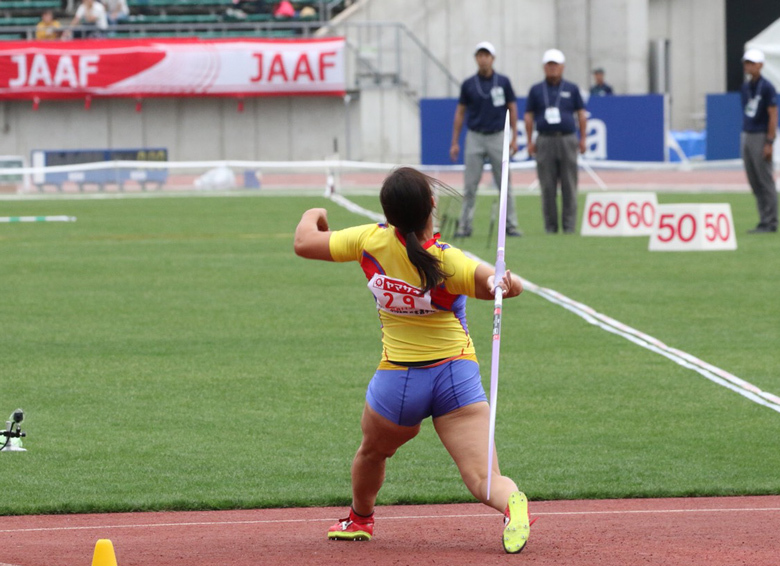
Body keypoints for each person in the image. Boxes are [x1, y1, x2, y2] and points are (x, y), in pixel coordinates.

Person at [294, 167, 533, 554]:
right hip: (457, 375)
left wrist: (315, 212)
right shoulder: (447, 261)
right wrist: (505, 282)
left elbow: (304, 242)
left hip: (399, 382)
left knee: (372, 452)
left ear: (388, 214)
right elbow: (499, 284)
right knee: (483, 478)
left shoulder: (369, 241)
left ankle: (359, 519)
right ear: (432, 206)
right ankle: (511, 502)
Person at [449, 41, 522, 238]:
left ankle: (511, 224)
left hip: (498, 135)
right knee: (470, 184)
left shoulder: (503, 82)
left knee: (505, 183)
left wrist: (514, 137)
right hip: (475, 136)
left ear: (493, 58)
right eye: (480, 55)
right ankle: (465, 225)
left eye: (486, 55)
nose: (483, 59)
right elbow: (460, 112)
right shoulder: (468, 84)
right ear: (476, 58)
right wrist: (455, 141)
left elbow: (512, 108)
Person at [524, 49, 587, 234]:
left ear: (562, 67)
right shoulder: (536, 90)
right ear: (544, 67)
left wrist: (582, 139)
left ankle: (569, 227)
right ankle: (550, 227)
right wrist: (529, 141)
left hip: (567, 138)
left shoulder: (572, 88)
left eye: (555, 64)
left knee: (569, 184)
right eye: (549, 64)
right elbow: (528, 116)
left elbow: (581, 115)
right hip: (544, 140)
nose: (552, 68)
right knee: (547, 186)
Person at [741, 48, 778, 234]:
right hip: (747, 133)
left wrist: (770, 141)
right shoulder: (746, 87)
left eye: (752, 63)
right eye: (746, 63)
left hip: (761, 134)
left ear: (760, 65)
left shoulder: (767, 87)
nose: (748, 66)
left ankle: (771, 221)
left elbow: (773, 115)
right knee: (754, 180)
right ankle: (763, 219)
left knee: (764, 179)